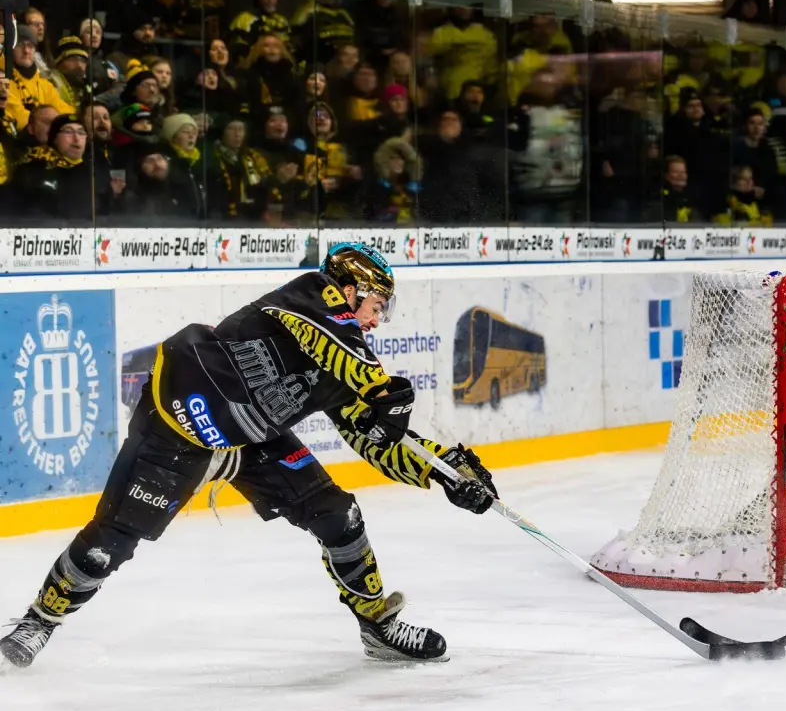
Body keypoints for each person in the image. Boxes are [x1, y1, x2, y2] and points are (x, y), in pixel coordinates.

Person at [0, 244, 500, 669]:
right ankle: (38, 621)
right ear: (349, 288)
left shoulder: (349, 362)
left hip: (253, 438)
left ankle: (377, 625)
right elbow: (342, 348)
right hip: (182, 420)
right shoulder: (311, 295)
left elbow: (378, 439)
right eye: (377, 304)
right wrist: (382, 389)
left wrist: (446, 471)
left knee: (340, 516)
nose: (377, 319)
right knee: (110, 543)